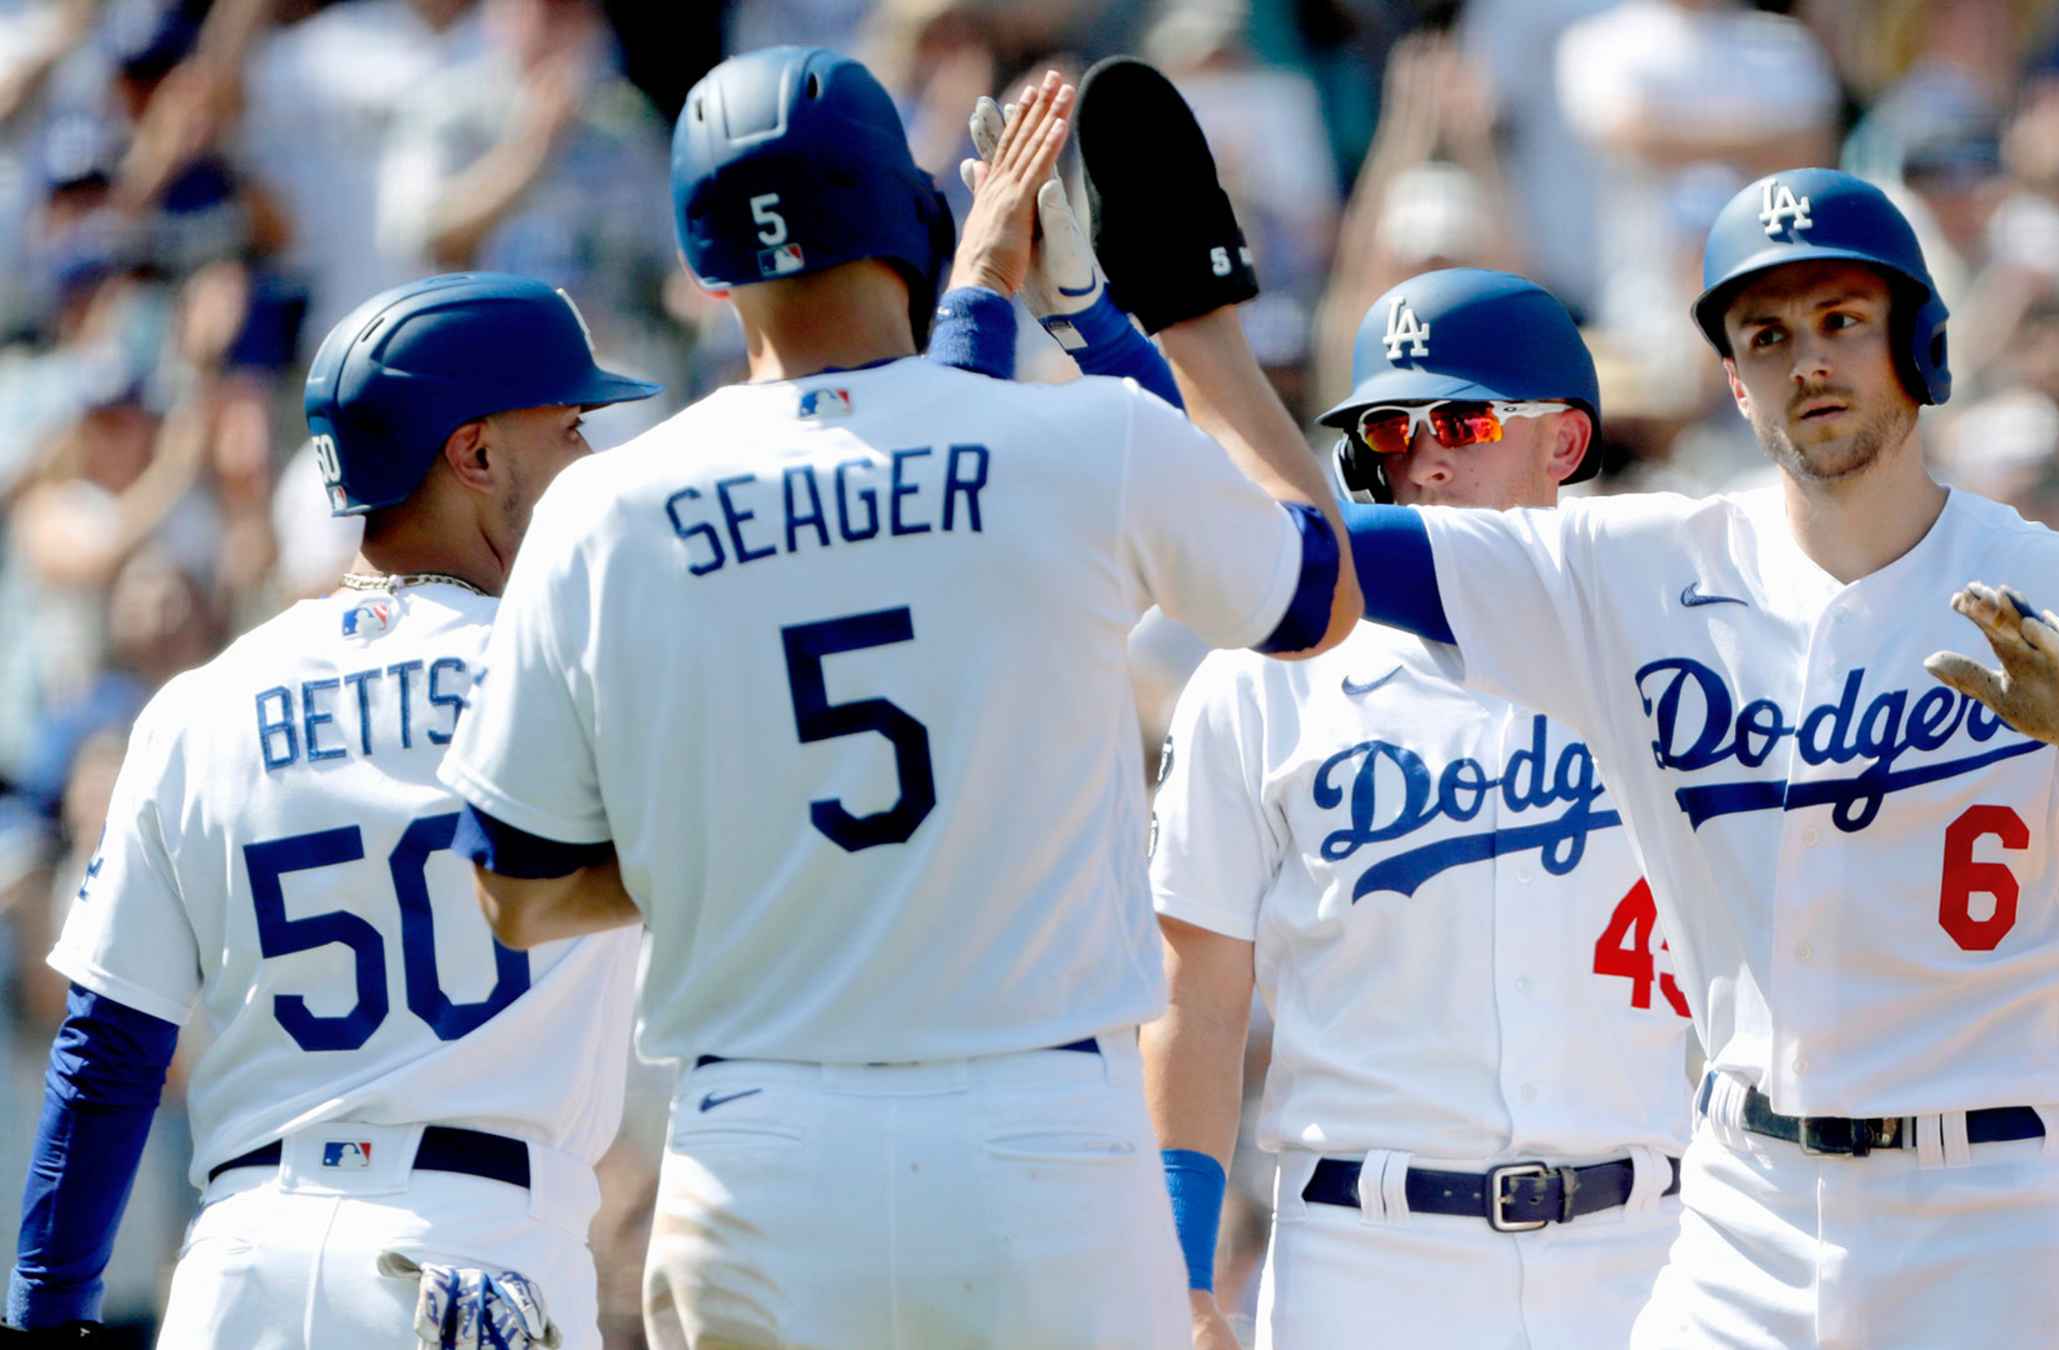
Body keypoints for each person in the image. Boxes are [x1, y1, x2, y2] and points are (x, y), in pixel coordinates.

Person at [1040, 98, 2059, 1348]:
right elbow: (1307, 561)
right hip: (1745, 1207)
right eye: (1766, 334)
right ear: (1732, 376)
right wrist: (1177, 331)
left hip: (1999, 1198)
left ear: (1917, 343)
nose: (1807, 357)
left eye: (1840, 318)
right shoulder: (1632, 573)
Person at [429, 49, 1359, 1349]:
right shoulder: (1082, 439)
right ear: (907, 215)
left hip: (759, 1149)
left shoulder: (600, 506)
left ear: (709, 272)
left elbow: (515, 889)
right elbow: (1317, 597)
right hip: (1040, 1143)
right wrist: (1142, 315)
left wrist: (754, 853)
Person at [4, 271, 661, 1348]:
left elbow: (108, 1049)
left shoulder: (200, 704)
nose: (587, 461)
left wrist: (45, 1316)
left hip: (241, 1272)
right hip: (468, 1257)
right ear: (477, 453)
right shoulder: (581, 673)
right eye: (570, 428)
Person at [1145, 266, 1694, 1350]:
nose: (1421, 455)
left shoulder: (1674, 639)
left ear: (1566, 446)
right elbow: (1194, 994)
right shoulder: (1264, 676)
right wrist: (1184, 1275)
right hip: (1368, 1254)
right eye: (1389, 427)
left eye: (1464, 420)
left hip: (1648, 1243)